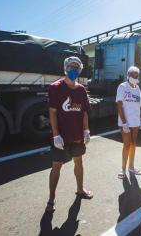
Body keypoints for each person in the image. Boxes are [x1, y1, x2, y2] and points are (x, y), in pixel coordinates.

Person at [46, 56, 93, 213]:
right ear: (65, 68)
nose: (73, 70)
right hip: (61, 137)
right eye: (70, 67)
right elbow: (52, 113)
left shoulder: (81, 90)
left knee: (78, 162)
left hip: (77, 136)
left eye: (76, 67)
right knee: (56, 166)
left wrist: (86, 130)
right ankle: (51, 199)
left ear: (80, 70)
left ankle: (80, 190)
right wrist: (55, 135)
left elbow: (84, 112)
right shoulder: (55, 87)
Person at [116, 66, 141, 179]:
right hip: (126, 122)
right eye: (133, 75)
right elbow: (119, 105)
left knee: (134, 144)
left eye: (136, 75)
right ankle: (123, 169)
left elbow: (140, 105)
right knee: (127, 145)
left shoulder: (137, 88)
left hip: (136, 122)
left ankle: (131, 167)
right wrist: (124, 123)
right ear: (128, 76)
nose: (135, 77)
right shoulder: (122, 86)